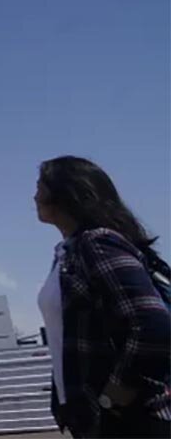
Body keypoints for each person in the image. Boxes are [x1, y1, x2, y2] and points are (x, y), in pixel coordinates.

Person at [34, 156, 171, 439]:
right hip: (102, 418)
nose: (34, 196)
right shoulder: (69, 252)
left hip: (132, 421)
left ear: (65, 193)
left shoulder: (95, 244)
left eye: (40, 187)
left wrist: (116, 394)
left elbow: (153, 324)